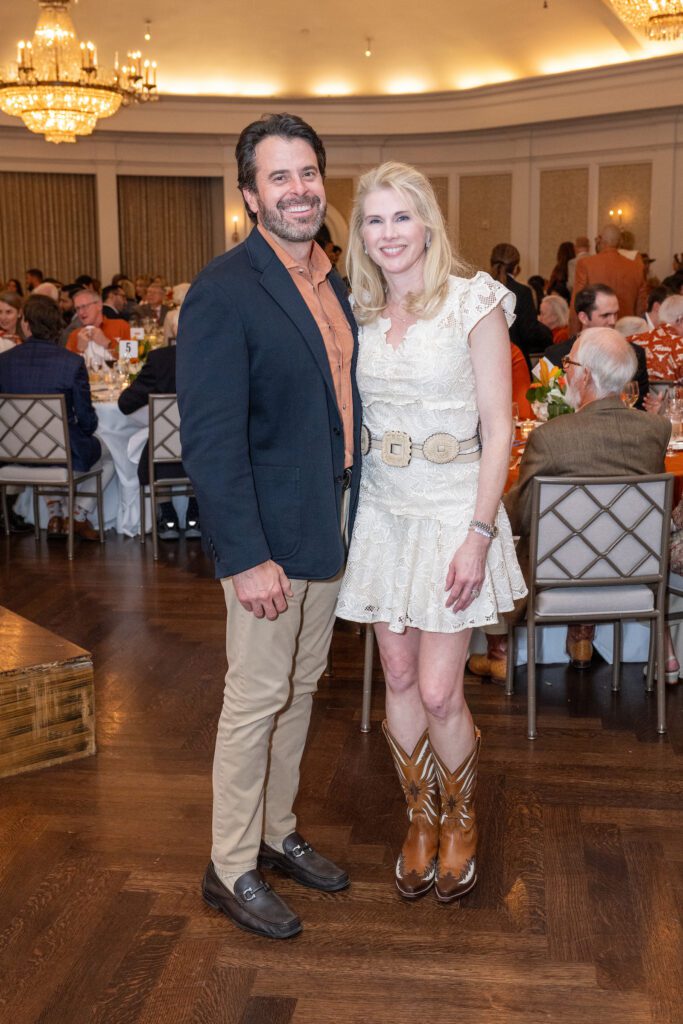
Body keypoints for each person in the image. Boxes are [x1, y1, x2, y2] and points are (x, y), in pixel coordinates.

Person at [176, 113, 361, 940]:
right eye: (279, 177)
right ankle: (228, 864)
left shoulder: (336, 280)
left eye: (308, 172)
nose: (299, 189)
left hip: (327, 521)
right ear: (250, 195)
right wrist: (244, 556)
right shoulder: (223, 288)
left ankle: (275, 832)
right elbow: (209, 441)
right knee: (254, 699)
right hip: (266, 541)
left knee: (300, 689)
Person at [335, 162, 526, 903]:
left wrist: (478, 532)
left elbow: (499, 423)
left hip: (452, 512)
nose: (388, 234)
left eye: (400, 218)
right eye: (374, 221)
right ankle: (419, 817)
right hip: (383, 512)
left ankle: (463, 816)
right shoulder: (357, 308)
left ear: (427, 224)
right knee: (400, 678)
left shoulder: (473, 301)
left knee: (444, 690)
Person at [490, 328, 669, 674]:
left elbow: (524, 517)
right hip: (632, 571)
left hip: (557, 576)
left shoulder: (550, 437)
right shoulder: (656, 430)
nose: (565, 371)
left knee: (486, 533)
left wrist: (491, 508)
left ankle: (499, 650)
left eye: (569, 363)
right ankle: (581, 636)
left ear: (585, 375)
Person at [0, 295, 114, 540]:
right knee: (112, 455)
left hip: (13, 452)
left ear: (26, 325)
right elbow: (87, 422)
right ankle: (78, 515)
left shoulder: (3, 362)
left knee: (47, 444)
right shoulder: (71, 363)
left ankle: (54, 515)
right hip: (59, 453)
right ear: (57, 327)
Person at [117, 345, 201, 540]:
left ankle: (167, 513)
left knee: (156, 439)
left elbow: (125, 404)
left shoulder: (159, 359)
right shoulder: (213, 354)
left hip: (162, 460)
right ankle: (195, 513)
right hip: (201, 454)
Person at [543, 284, 650, 409]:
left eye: (615, 314)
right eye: (605, 315)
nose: (613, 321)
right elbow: (543, 404)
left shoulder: (633, 353)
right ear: (583, 317)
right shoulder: (555, 355)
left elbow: (639, 407)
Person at [570, 224, 647, 330]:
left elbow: (576, 306)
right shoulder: (636, 267)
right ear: (620, 242)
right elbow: (641, 310)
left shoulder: (585, 264)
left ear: (600, 240)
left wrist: (573, 340)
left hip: (596, 333)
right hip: (626, 334)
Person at [490, 243, 552, 362]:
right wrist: (547, 335)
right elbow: (529, 333)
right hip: (515, 360)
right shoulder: (523, 292)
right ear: (516, 267)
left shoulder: (482, 289)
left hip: (487, 358)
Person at [631, 294, 683, 382]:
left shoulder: (632, 341)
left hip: (634, 394)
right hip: (670, 395)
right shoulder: (680, 345)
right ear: (680, 320)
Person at [66, 290, 129, 361]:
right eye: (77, 308)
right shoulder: (74, 335)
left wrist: (108, 344)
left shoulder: (121, 326)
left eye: (84, 306)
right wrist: (79, 350)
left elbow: (132, 359)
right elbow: (68, 368)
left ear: (99, 305)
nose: (80, 312)